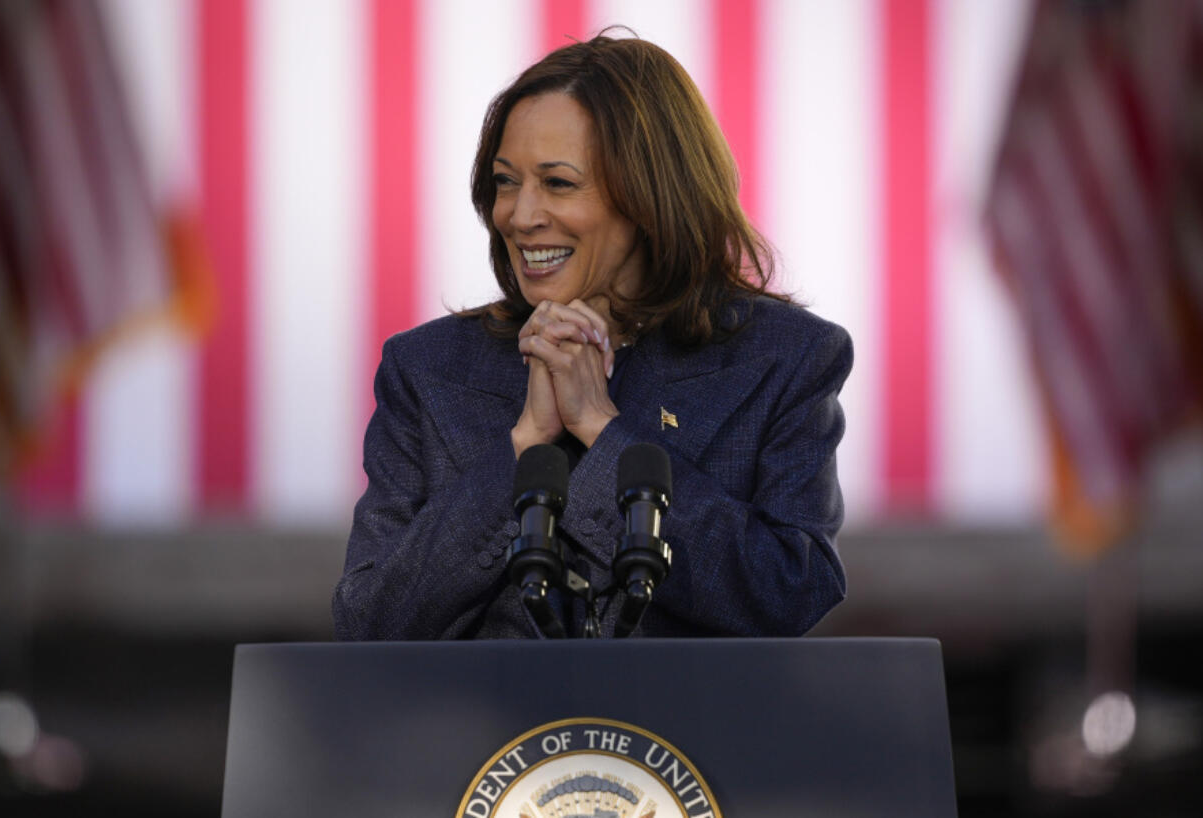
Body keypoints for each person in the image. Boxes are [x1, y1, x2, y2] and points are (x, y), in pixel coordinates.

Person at [333, 32, 852, 640]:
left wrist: (603, 434)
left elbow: (787, 594)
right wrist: (523, 448)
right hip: (486, 735)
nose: (521, 216)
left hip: (690, 734)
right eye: (505, 182)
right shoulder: (425, 369)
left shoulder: (785, 358)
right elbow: (370, 622)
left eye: (557, 183)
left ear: (650, 196)